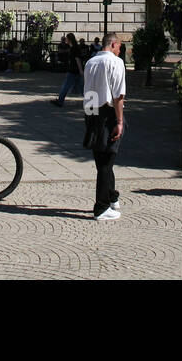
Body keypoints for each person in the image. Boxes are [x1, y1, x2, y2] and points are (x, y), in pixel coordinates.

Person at [83, 32, 126, 221]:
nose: (120, 51)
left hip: (92, 111)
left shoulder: (90, 62)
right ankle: (101, 207)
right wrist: (119, 121)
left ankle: (112, 197)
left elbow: (89, 91)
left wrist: (90, 120)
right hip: (108, 112)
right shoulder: (116, 63)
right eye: (120, 47)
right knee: (106, 162)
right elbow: (118, 96)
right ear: (114, 44)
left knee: (102, 159)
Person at [52, 33, 85, 107]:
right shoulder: (73, 47)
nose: (65, 39)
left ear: (69, 39)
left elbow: (77, 59)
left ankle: (60, 101)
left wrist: (80, 70)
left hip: (74, 70)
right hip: (74, 70)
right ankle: (90, 102)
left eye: (66, 38)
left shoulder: (74, 48)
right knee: (82, 87)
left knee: (66, 86)